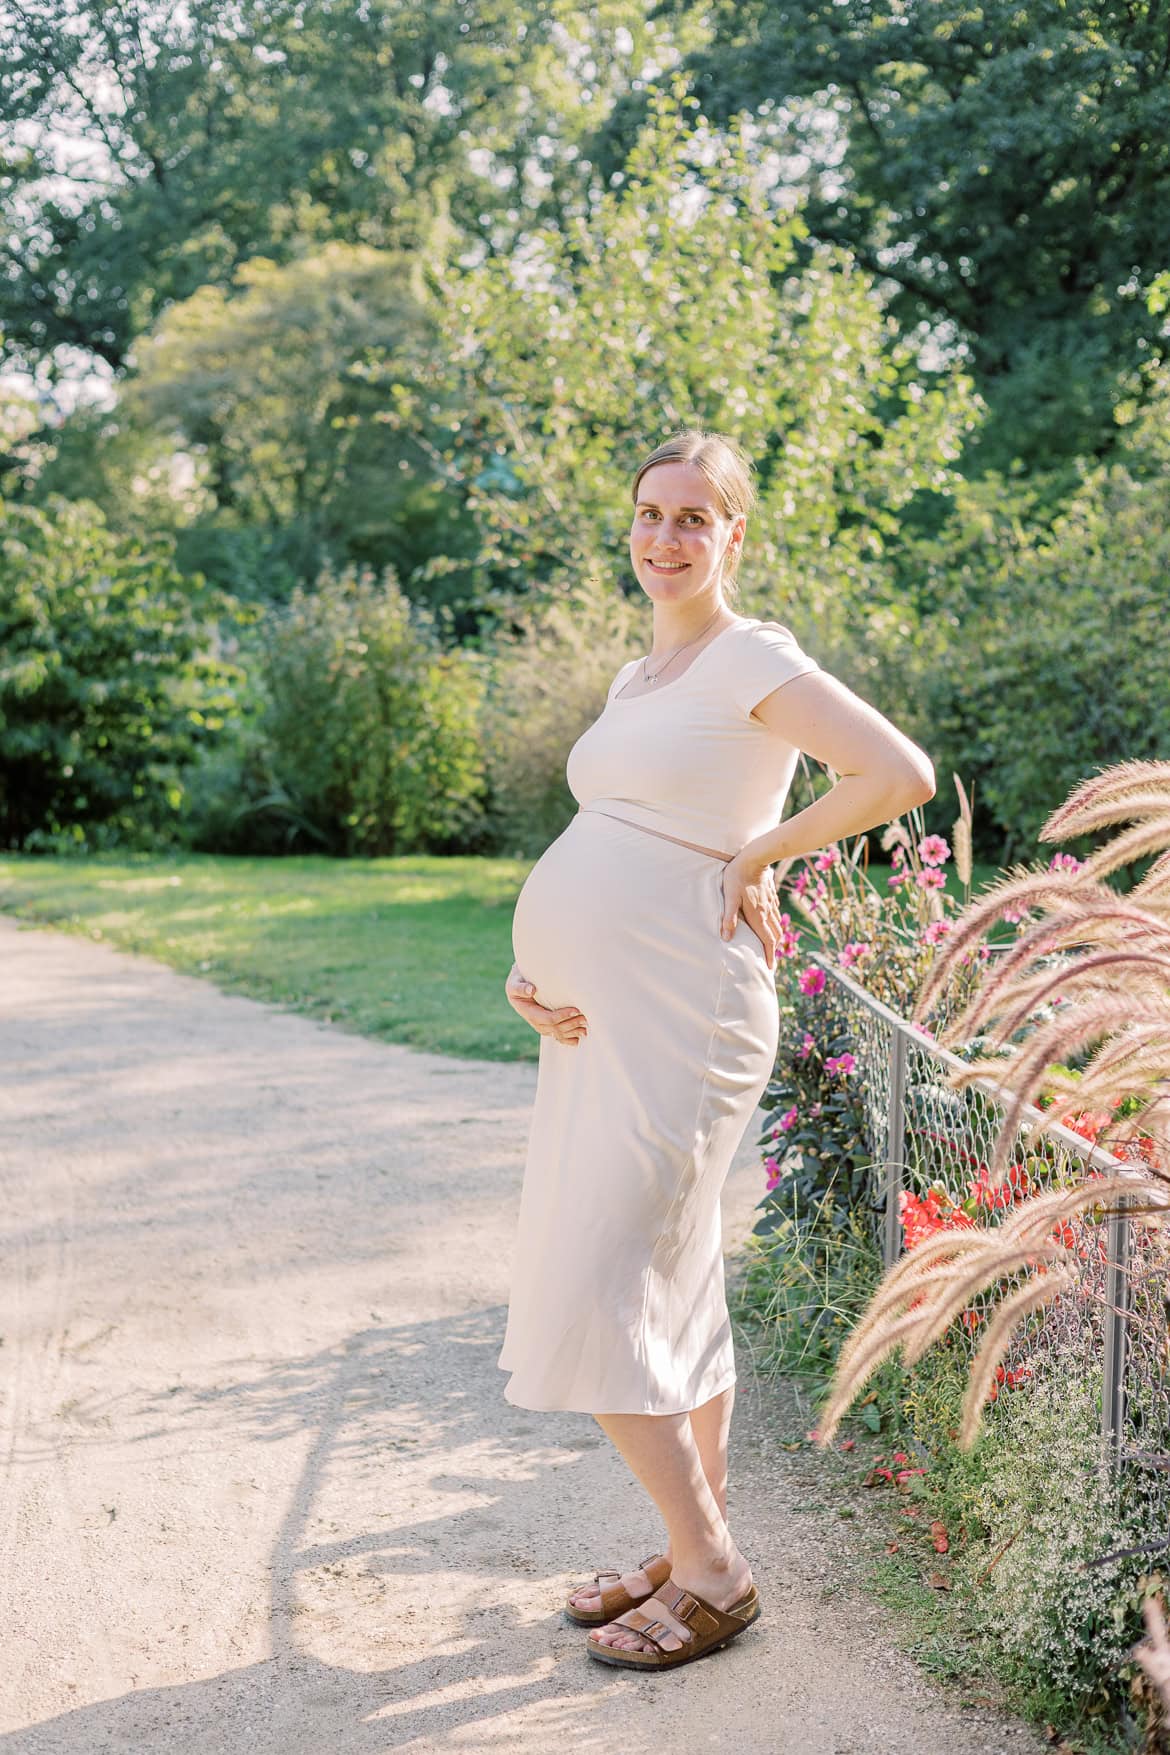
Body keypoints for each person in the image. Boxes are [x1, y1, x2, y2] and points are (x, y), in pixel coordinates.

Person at [499, 428, 935, 1672]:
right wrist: (535, 966)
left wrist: (760, 855)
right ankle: (691, 1540)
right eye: (650, 513)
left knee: (598, 1275)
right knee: (672, 1275)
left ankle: (713, 1573)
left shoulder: (751, 654)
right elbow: (617, 829)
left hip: (685, 1007)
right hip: (601, 1011)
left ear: (734, 534)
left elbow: (896, 771)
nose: (666, 537)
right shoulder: (639, 678)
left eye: (696, 517)